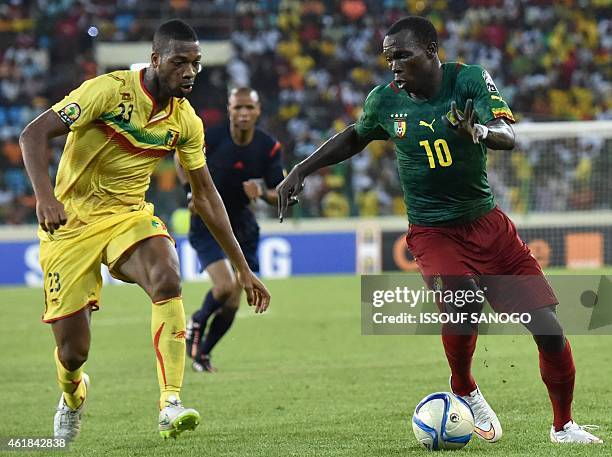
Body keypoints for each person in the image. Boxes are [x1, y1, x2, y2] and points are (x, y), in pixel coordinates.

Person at [276, 16, 602, 445]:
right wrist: (301, 168)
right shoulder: (385, 101)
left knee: (549, 329)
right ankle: (464, 386)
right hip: (433, 230)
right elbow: (356, 136)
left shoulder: (467, 80)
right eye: (389, 58)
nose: (394, 66)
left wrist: (479, 130)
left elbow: (508, 135)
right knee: (463, 304)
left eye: (403, 55)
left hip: (488, 226)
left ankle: (564, 427)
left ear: (431, 50)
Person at [19, 19, 270, 441]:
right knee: (73, 350)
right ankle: (73, 394)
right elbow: (33, 134)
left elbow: (206, 195)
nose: (189, 72)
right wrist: (45, 198)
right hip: (71, 222)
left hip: (127, 217)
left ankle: (170, 403)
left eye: (196, 63)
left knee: (167, 276)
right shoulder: (107, 91)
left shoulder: (185, 122)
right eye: (179, 62)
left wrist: (242, 269)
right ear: (155, 60)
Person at [177, 87, 284, 373]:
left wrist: (261, 192)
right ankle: (197, 322)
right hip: (208, 222)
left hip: (242, 224)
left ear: (258, 111)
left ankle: (203, 354)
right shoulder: (210, 139)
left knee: (233, 302)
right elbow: (180, 157)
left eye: (249, 107)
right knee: (224, 287)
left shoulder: (268, 146)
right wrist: (190, 192)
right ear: (229, 110)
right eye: (238, 108)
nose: (244, 113)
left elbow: (281, 193)